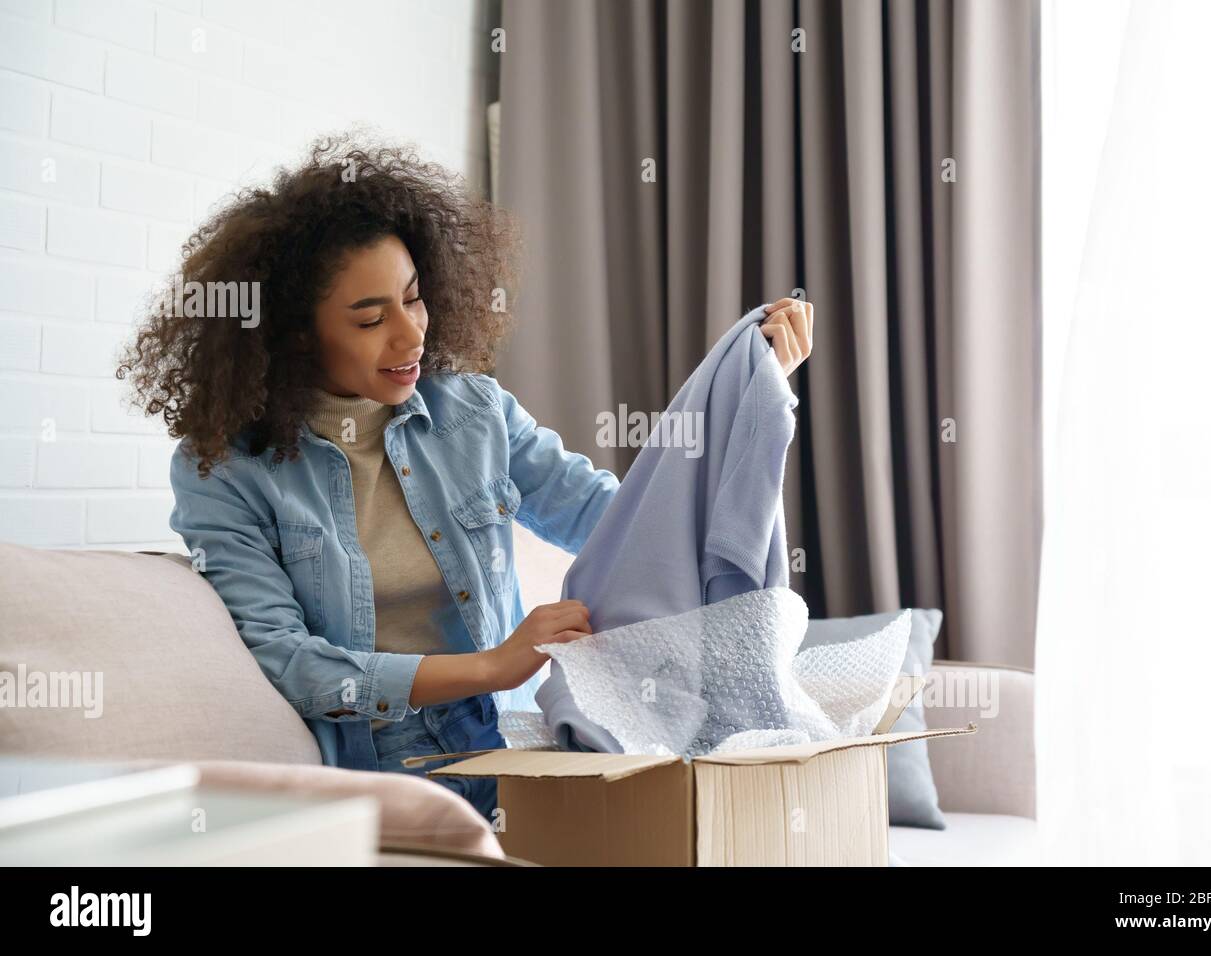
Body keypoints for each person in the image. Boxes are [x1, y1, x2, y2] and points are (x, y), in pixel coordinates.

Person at [116, 133, 812, 823]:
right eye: (370, 318)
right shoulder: (227, 471)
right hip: (380, 775)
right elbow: (293, 663)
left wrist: (746, 397)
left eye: (414, 299)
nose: (411, 335)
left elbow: (625, 521)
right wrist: (493, 665)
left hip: (509, 749)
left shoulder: (471, 411)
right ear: (298, 334)